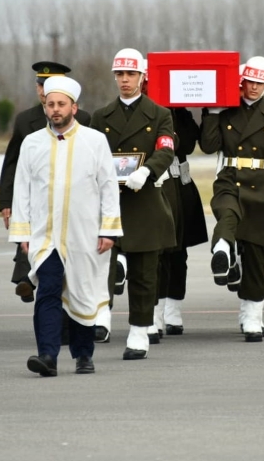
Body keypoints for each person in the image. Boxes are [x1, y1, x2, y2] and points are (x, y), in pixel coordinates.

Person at [8, 76, 122, 377]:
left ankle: (84, 355)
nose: (55, 110)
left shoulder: (94, 141)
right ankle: (47, 355)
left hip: (85, 235)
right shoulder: (32, 144)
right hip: (45, 237)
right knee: (47, 289)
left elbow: (109, 187)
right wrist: (22, 233)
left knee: (83, 293)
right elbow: (21, 189)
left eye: (61, 104)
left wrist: (108, 230)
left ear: (74, 107)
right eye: (50, 104)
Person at [199, 56, 264, 342]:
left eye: (260, 83)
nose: (253, 87)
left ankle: (252, 315)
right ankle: (223, 250)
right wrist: (213, 113)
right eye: (249, 81)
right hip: (230, 178)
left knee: (257, 256)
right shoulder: (227, 112)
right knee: (226, 215)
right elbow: (208, 147)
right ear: (241, 82)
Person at [90, 48, 177, 359]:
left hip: (145, 201)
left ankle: (139, 332)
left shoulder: (160, 114)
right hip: (109, 202)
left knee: (144, 273)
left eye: (131, 74)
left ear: (143, 77)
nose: (125, 80)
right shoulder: (101, 116)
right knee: (101, 267)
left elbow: (167, 148)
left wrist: (148, 169)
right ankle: (101, 317)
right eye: (120, 74)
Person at [0, 61, 92, 303]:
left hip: (70, 196)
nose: (43, 89)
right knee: (28, 233)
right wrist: (5, 200)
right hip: (35, 194)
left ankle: (36, 284)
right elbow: (12, 163)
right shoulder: (24, 120)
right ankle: (25, 279)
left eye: (48, 84)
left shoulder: (83, 119)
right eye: (40, 84)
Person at [155, 107, 209, 336]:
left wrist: (175, 114)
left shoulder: (181, 115)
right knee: (158, 254)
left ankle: (173, 309)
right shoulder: (148, 112)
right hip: (155, 185)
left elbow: (187, 145)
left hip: (181, 186)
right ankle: (156, 311)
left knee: (179, 253)